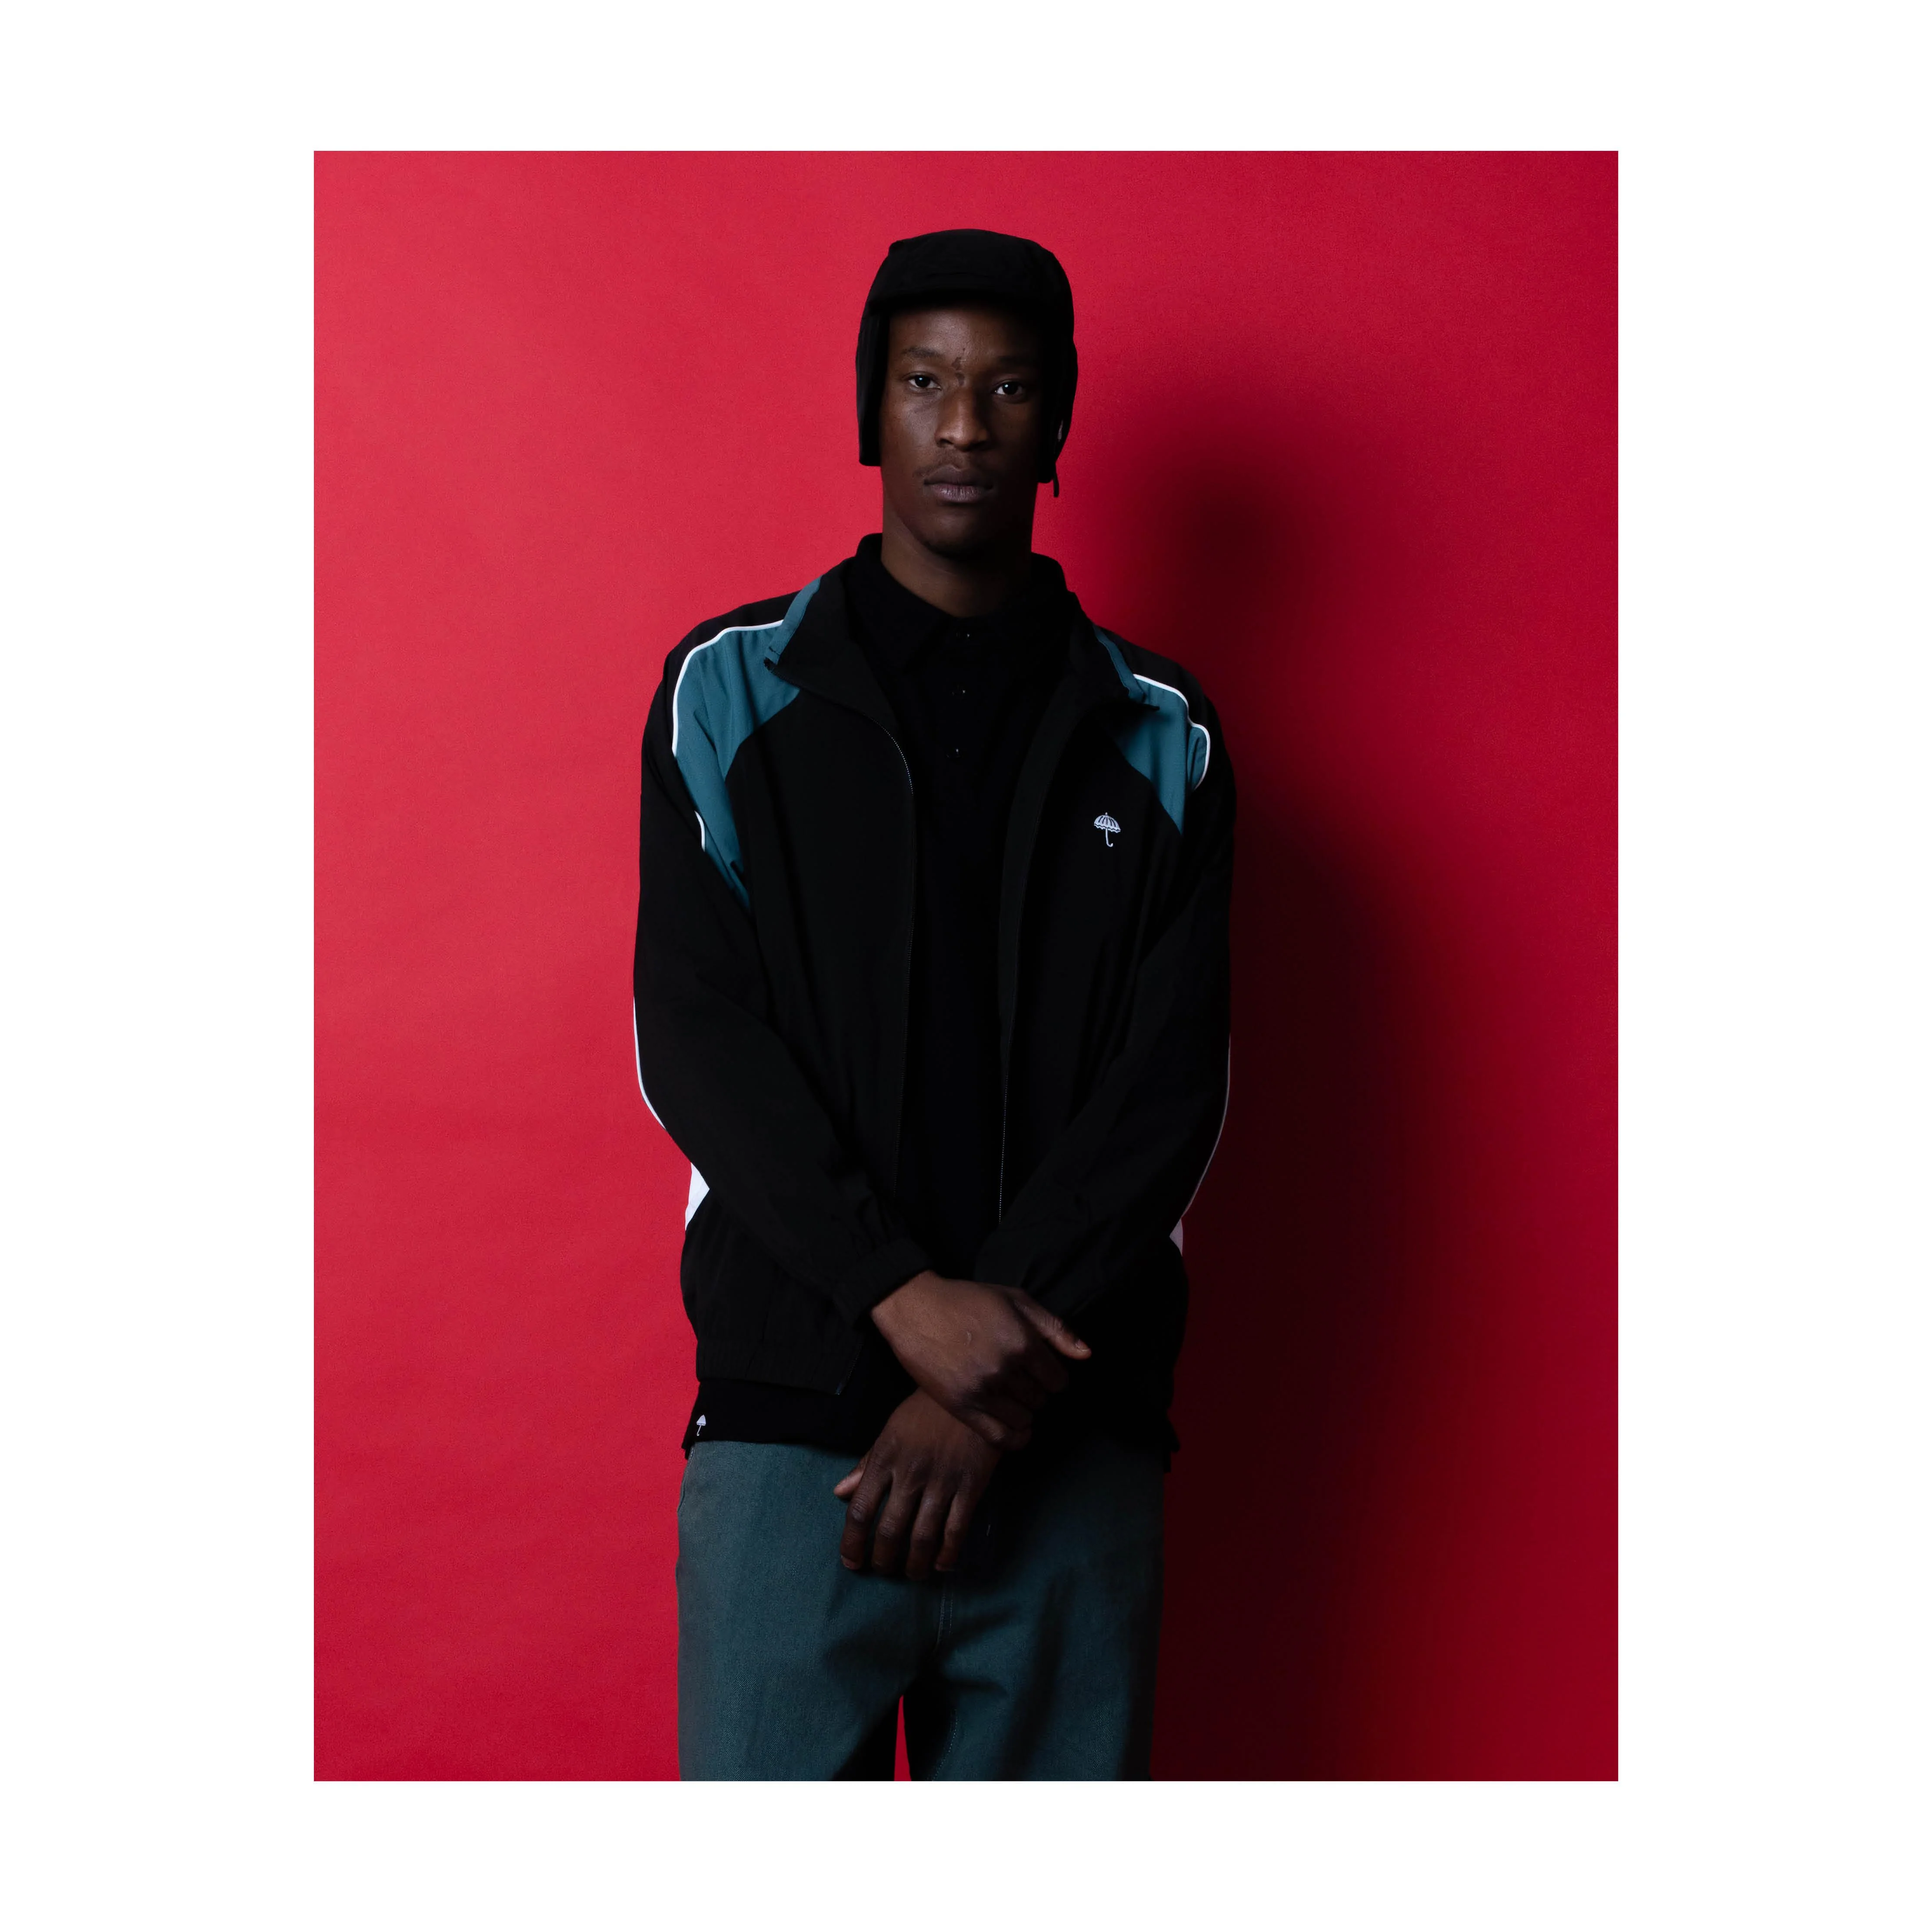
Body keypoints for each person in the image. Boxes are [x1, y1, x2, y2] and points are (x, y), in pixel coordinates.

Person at [632, 228, 1234, 1779]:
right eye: (923, 383)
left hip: (1067, 1449)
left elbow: (1169, 1088)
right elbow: (698, 1038)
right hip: (789, 1437)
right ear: (868, 409)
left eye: (1007, 387)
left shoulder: (1163, 733)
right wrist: (902, 1298)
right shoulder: (727, 692)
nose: (964, 425)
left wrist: (983, 1393)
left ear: (1059, 421)